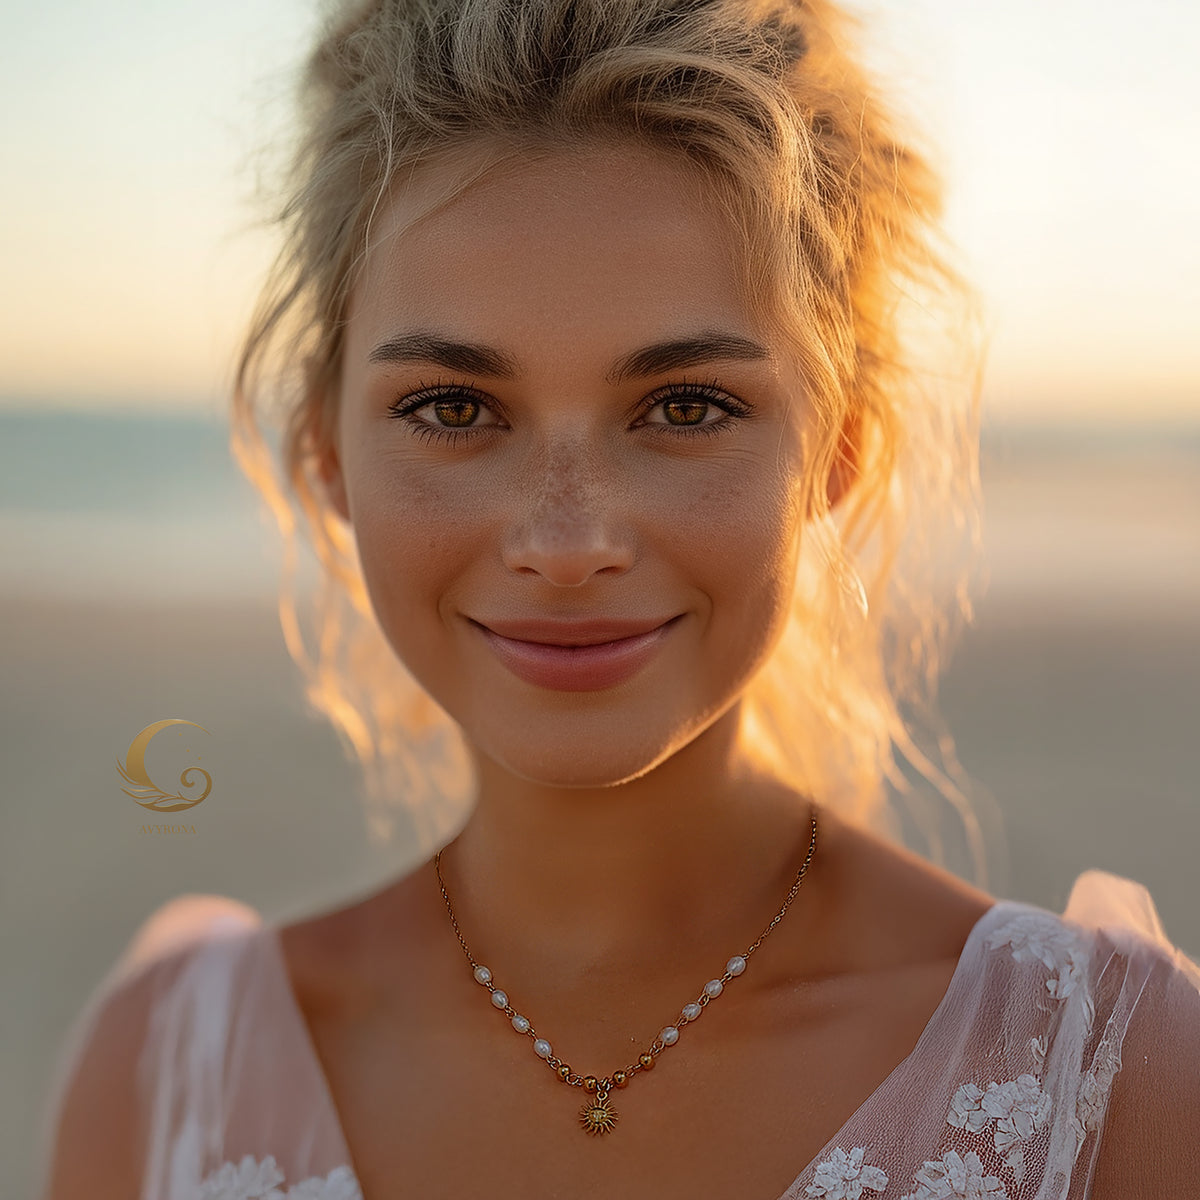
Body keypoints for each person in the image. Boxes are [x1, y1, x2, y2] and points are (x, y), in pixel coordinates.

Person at [37, 1, 1200, 1198]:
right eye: (452, 408)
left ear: (840, 448)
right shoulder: (162, 1078)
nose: (567, 541)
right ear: (324, 452)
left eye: (686, 406)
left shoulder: (1118, 1082)